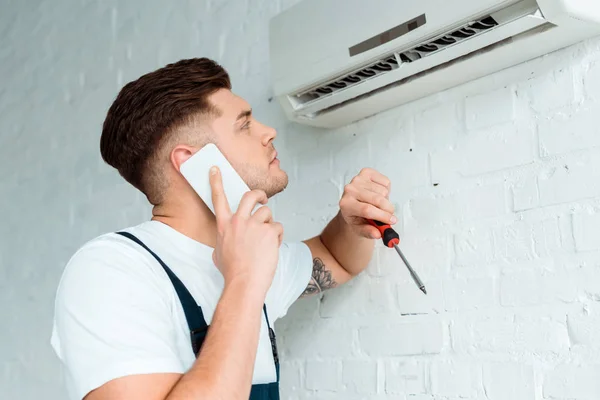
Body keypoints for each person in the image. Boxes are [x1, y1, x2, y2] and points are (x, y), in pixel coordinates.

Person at [50, 57, 397, 400]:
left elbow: (336, 258)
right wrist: (244, 279)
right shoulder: (111, 271)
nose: (269, 131)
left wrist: (351, 223)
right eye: (244, 125)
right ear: (193, 162)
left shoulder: (250, 253)